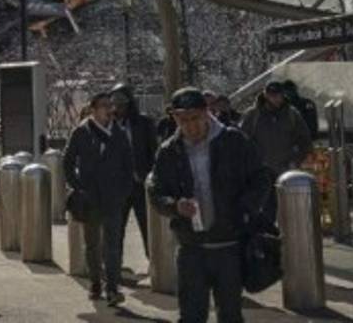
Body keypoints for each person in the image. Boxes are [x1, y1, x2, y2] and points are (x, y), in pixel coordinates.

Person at [148, 88, 270, 323]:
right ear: (174, 119)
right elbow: (156, 191)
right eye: (183, 120)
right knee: (191, 316)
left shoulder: (233, 141)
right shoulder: (169, 151)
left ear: (206, 113)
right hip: (191, 247)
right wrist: (174, 206)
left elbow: (261, 177)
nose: (190, 126)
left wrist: (245, 209)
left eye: (195, 118)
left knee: (230, 314)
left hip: (229, 245)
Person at [63, 92, 133, 305]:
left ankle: (112, 288)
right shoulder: (82, 132)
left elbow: (128, 164)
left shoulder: (119, 133)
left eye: (110, 105)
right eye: (103, 105)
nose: (108, 109)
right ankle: (95, 282)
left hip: (113, 198)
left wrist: (123, 192)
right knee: (92, 244)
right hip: (90, 197)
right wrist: (78, 186)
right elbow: (67, 161)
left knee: (112, 245)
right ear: (93, 109)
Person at [109, 83, 159, 257]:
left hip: (140, 183)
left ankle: (154, 262)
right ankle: (114, 266)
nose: (119, 108)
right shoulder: (108, 124)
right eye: (115, 104)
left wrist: (150, 176)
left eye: (122, 104)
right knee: (116, 228)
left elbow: (154, 151)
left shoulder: (144, 123)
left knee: (147, 226)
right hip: (118, 185)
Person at [240, 82, 312, 180]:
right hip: (260, 172)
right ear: (265, 95)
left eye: (278, 95)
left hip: (286, 172)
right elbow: (242, 142)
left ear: (283, 95)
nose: (275, 98)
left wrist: (295, 161)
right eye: (271, 95)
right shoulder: (253, 115)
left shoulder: (292, 114)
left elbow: (305, 140)